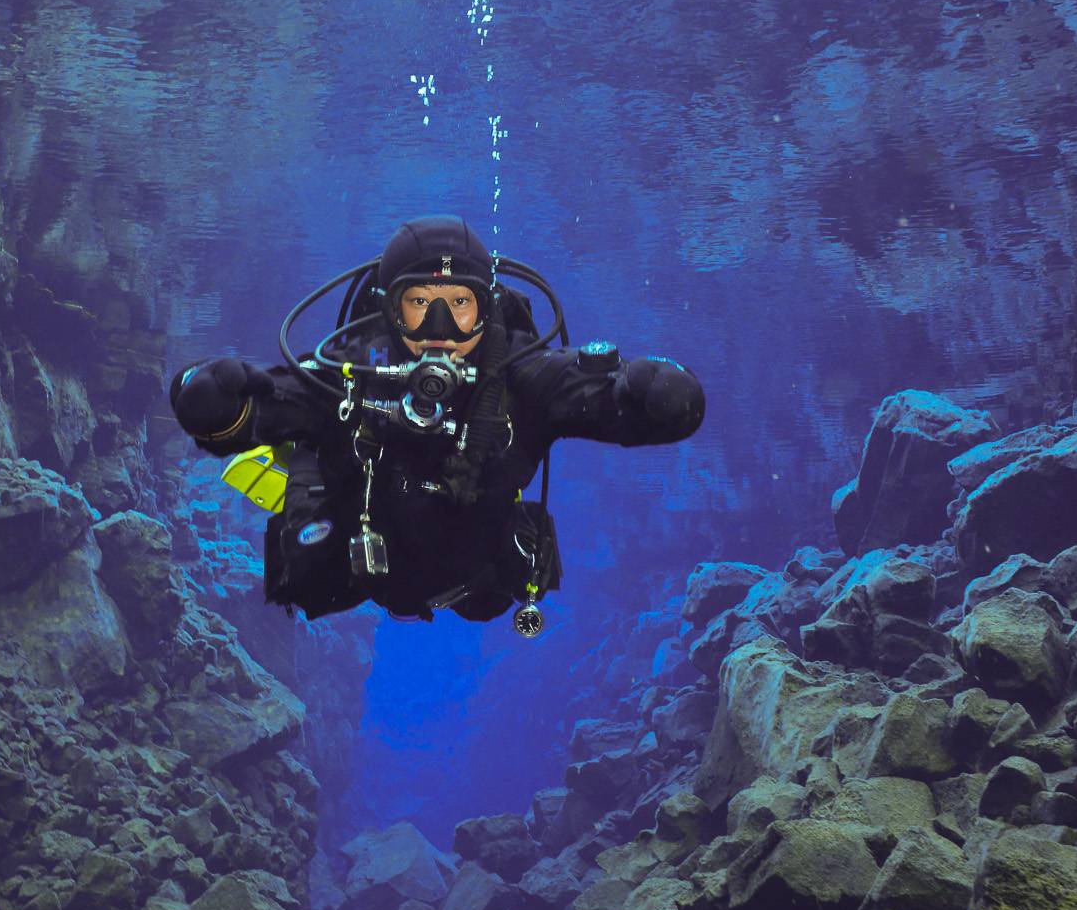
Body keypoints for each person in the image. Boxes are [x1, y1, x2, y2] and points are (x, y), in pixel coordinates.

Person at [170, 214, 704, 629]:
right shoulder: (352, 367)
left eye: (460, 303)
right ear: (389, 309)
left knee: (492, 598)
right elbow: (265, 404)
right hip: (354, 569)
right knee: (311, 578)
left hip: (476, 577)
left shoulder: (524, 369)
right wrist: (216, 401)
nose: (440, 327)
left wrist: (650, 399)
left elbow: (608, 400)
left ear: (487, 306)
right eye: (420, 302)